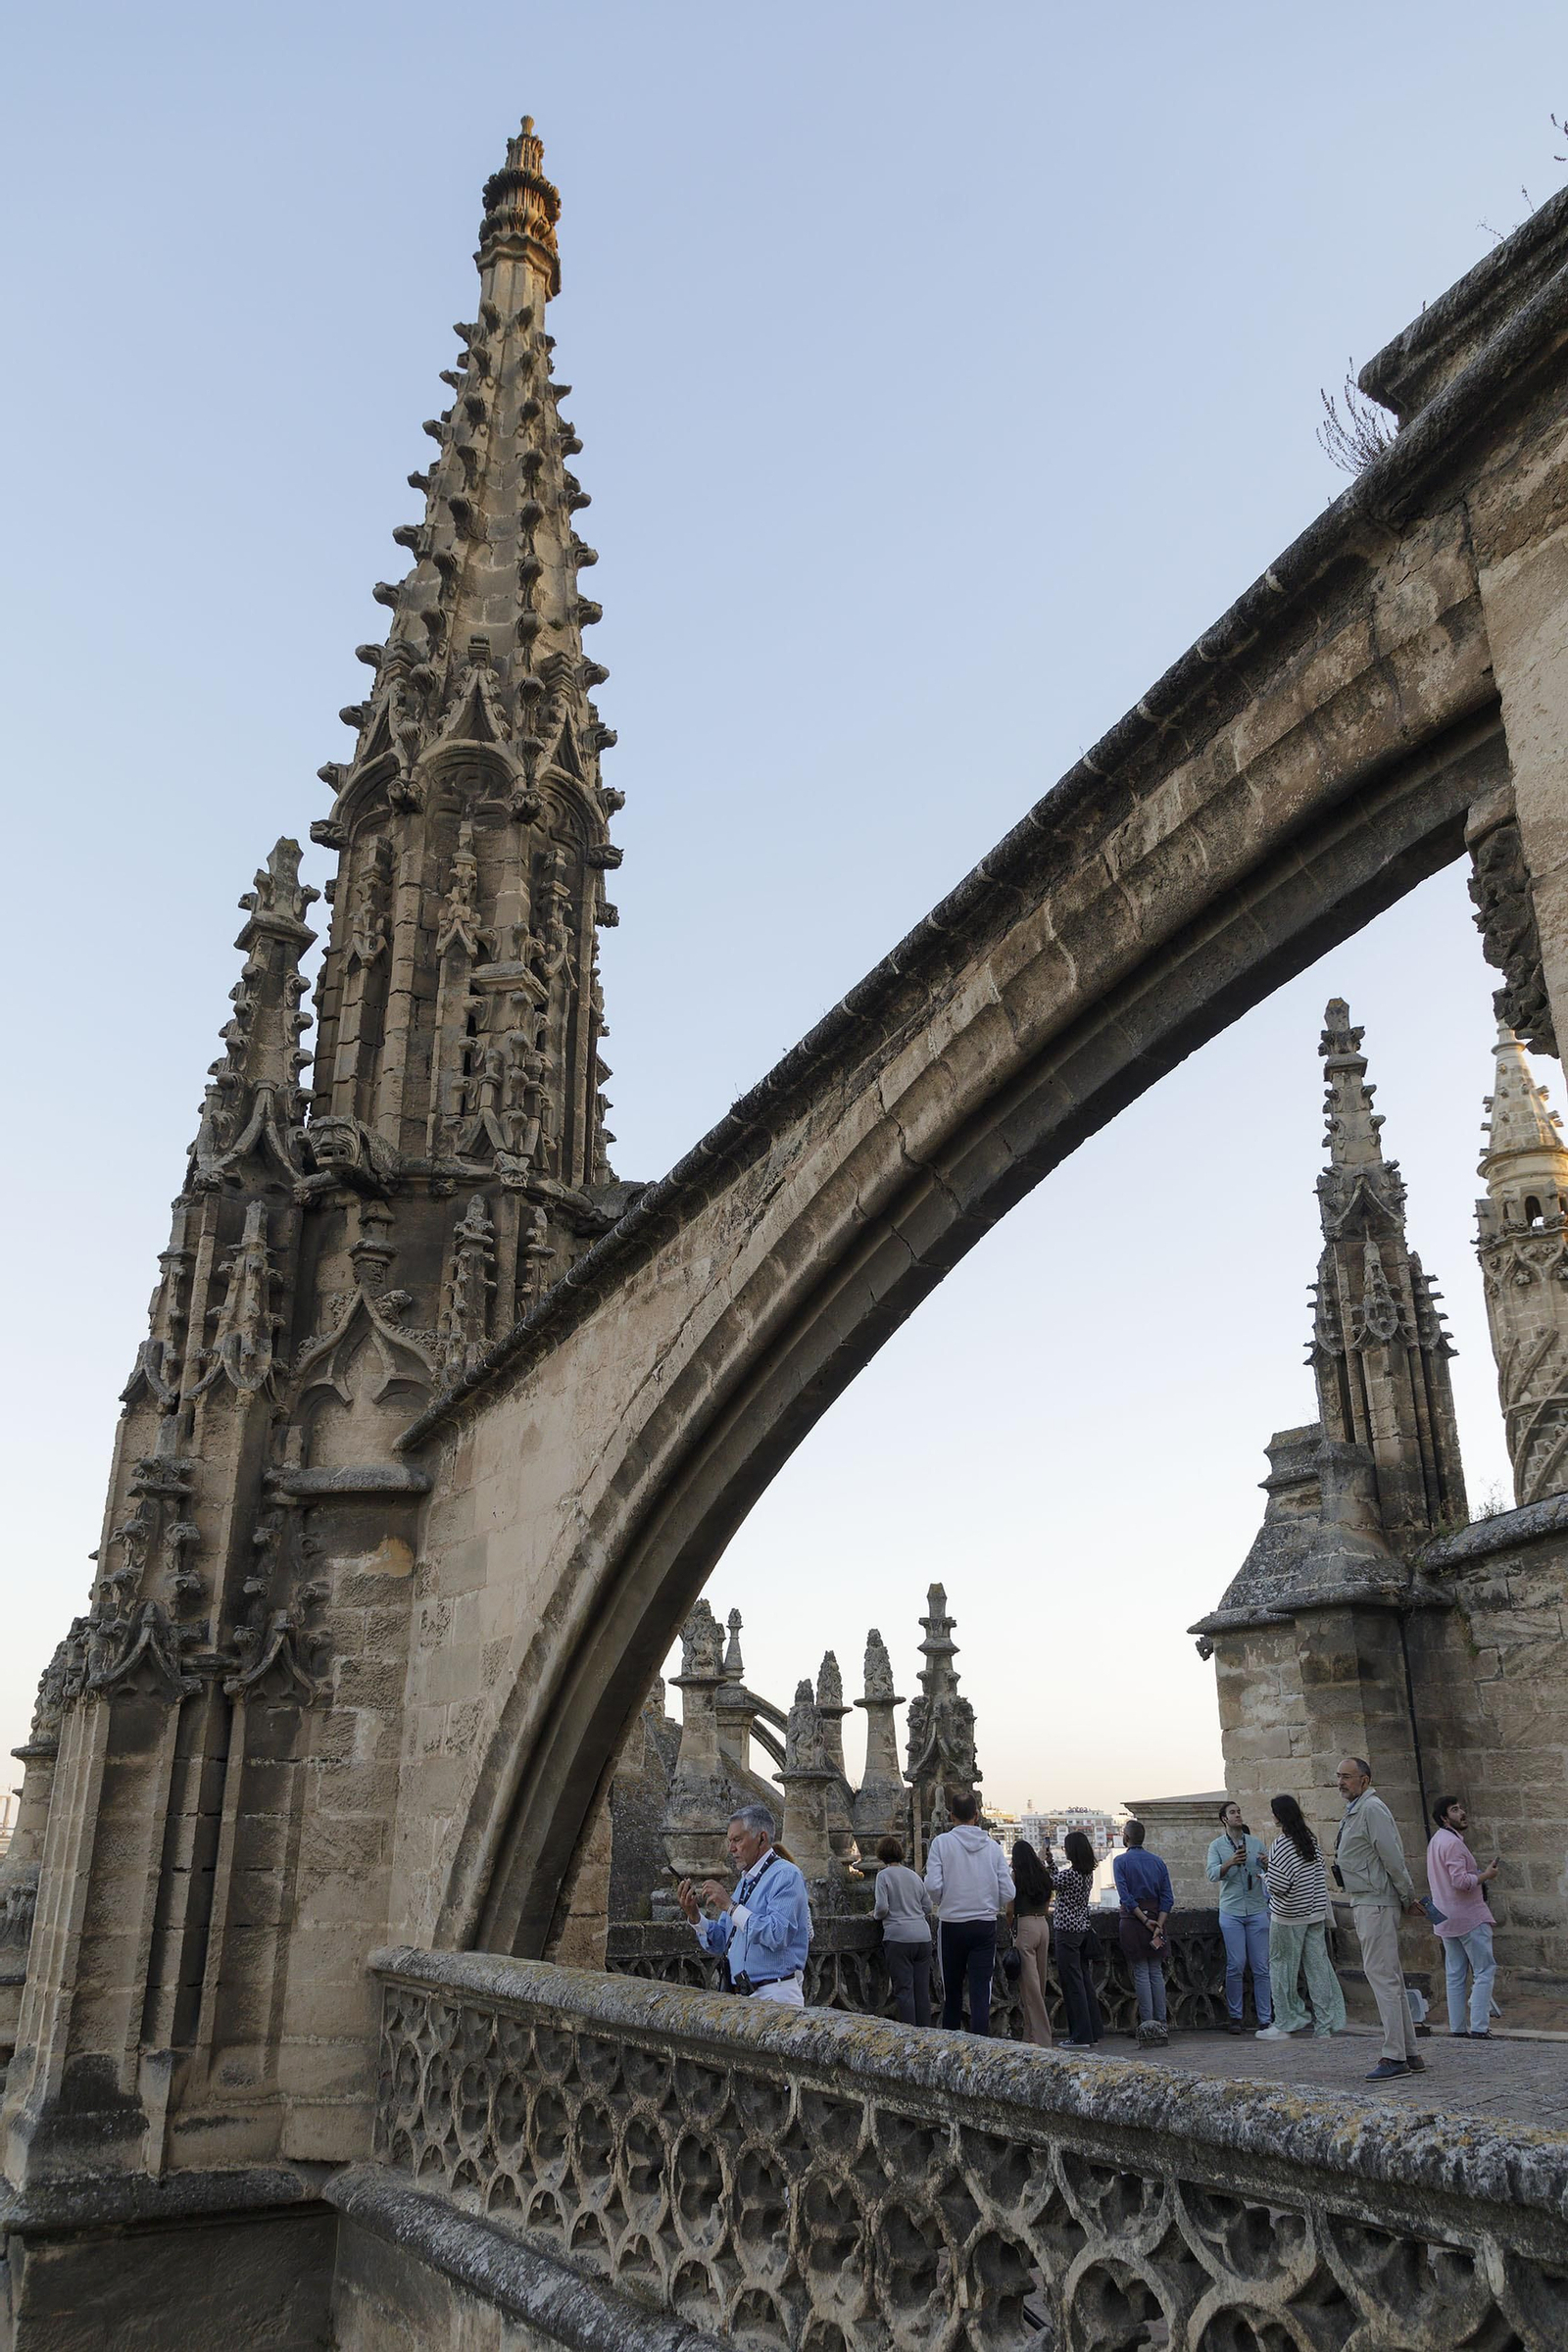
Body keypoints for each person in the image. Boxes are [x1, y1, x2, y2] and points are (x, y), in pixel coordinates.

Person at [1334, 1756, 1427, 2081]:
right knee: (1391, 1979)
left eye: (1348, 1776)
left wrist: (1407, 1897)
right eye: (1339, 1776)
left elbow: (1392, 1857)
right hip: (1367, 1900)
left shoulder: (1371, 1809)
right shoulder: (1357, 1810)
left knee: (1383, 1979)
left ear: (1365, 1780)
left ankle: (1394, 2056)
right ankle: (1409, 2052)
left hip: (1375, 1903)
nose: (1341, 1782)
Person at [676, 1803, 811, 2006]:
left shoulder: (786, 1875)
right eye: (730, 1841)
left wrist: (730, 1907)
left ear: (762, 1838)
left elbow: (777, 1934)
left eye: (737, 1840)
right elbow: (722, 1941)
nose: (731, 1849)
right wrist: (694, 1915)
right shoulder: (746, 1881)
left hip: (775, 1994)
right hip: (744, 1995)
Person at [925, 1789, 1014, 2034]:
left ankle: (952, 2042)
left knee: (951, 1991)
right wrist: (989, 1902)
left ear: (951, 1816)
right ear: (977, 1815)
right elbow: (1008, 1891)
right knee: (981, 1991)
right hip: (984, 1924)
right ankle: (981, 2042)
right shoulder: (993, 1847)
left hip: (952, 1924)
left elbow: (932, 1885)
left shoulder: (942, 1843)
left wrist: (946, 1900)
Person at [1256, 1793, 1345, 2040]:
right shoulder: (1310, 1840)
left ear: (1279, 1816)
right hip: (1314, 1913)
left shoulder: (1281, 1844)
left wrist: (1266, 1875)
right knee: (1318, 1969)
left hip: (1288, 1916)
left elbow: (1279, 1885)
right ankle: (1325, 2025)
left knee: (1281, 1968)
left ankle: (1285, 2022)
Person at [1426, 1795, 1499, 2039]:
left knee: (1455, 1974)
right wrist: (1486, 1875)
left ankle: (1457, 2028)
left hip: (1444, 1917)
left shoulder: (1436, 1841)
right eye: (1455, 1810)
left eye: (1460, 1808)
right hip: (1467, 1917)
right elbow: (1460, 1882)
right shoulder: (1452, 1843)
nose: (1462, 1813)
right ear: (1445, 1818)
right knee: (1484, 1970)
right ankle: (1479, 2027)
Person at [1205, 1799, 1273, 2035]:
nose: (1237, 1815)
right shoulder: (1216, 1846)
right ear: (1224, 1819)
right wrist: (1230, 1863)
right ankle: (1235, 2017)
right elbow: (1212, 1874)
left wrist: (1267, 1865)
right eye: (1232, 1812)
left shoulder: (1255, 1843)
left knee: (1261, 1967)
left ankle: (1265, 2018)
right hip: (1232, 1911)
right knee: (1235, 1965)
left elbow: (1270, 1873)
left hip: (1256, 1909)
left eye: (1239, 1811)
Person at [1113, 1820, 1174, 2046]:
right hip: (1157, 1919)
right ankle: (1162, 2022)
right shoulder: (1157, 1862)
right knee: (1155, 1972)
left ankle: (1148, 2024)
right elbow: (1167, 1898)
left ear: (1126, 1837)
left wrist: (1144, 1919)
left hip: (1134, 1922)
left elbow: (1126, 1897)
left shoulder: (1121, 1862)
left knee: (1141, 1971)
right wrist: (1158, 1924)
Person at [873, 1834, 934, 2028]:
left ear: (881, 1855)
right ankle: (927, 2033)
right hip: (922, 1936)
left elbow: (882, 1908)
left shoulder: (884, 1875)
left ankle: (910, 2035)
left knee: (904, 1991)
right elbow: (928, 1907)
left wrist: (875, 1914)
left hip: (899, 1937)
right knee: (922, 1992)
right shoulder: (913, 1875)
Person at [1053, 1830, 1104, 2048]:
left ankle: (1080, 2035)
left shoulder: (1069, 1875)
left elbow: (1048, 1883)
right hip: (1082, 1930)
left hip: (1067, 1932)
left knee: (1072, 1984)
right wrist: (1051, 1864)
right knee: (1084, 1982)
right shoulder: (1086, 1874)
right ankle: (1093, 2030)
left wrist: (1042, 1862)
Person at [1007, 1838, 1055, 2046]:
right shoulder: (1043, 1874)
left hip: (1025, 1925)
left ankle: (1042, 2038)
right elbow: (1047, 1904)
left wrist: (1012, 1928)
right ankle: (1030, 2035)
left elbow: (1009, 1910)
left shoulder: (1016, 1876)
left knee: (1030, 1987)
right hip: (1043, 1925)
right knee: (1039, 1984)